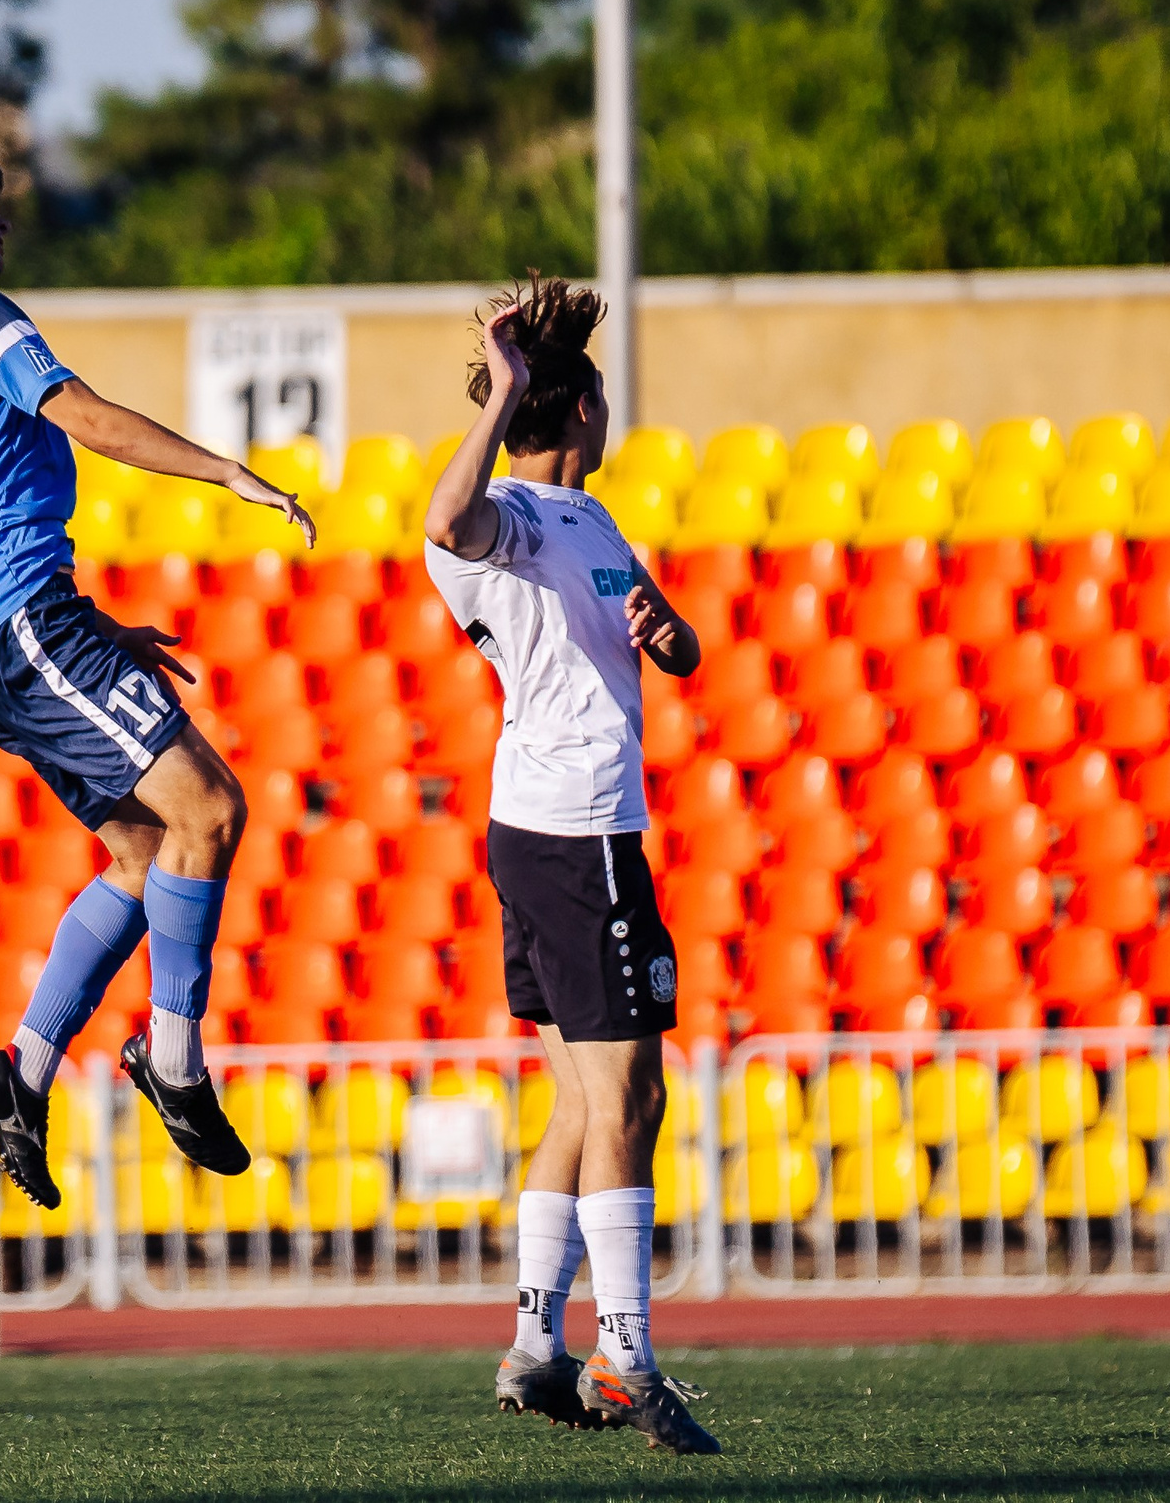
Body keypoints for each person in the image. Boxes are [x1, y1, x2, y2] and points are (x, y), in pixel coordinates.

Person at [0, 136, 312, 1204]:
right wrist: (223, 469)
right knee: (208, 807)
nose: (2, 222)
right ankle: (175, 1058)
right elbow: (86, 416)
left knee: (146, 848)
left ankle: (20, 1070)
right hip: (22, 622)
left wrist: (96, 624)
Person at [421, 277, 717, 1456]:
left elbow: (674, 643)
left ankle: (537, 1343)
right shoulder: (505, 516)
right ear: (579, 406)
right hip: (575, 833)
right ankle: (626, 1352)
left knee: (580, 1102)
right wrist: (500, 392)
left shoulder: (592, 524)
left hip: (559, 829)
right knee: (631, 1095)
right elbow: (444, 520)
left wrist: (668, 635)